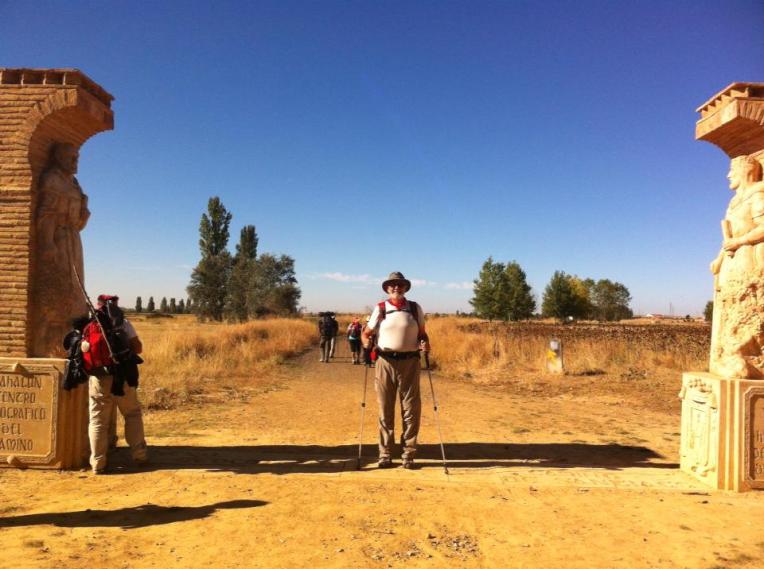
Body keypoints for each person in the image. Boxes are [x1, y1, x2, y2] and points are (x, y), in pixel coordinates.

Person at [362, 272, 430, 469]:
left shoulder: (415, 308)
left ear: (405, 287)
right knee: (385, 409)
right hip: (385, 362)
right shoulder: (381, 308)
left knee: (411, 409)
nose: (396, 288)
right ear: (387, 288)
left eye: (399, 285)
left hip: (410, 362)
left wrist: (425, 344)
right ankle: (385, 454)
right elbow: (366, 334)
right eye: (392, 285)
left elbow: (423, 335)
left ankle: (408, 453)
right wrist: (367, 344)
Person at [32, 143, 91, 357]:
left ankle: (69, 342)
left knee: (75, 290)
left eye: (77, 157)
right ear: (59, 158)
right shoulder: (53, 179)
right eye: (71, 157)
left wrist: (83, 211)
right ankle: (46, 345)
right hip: (59, 239)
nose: (75, 161)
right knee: (57, 290)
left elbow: (79, 223)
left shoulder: (74, 184)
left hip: (73, 240)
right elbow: (46, 213)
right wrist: (48, 243)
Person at [709, 154, 764, 378]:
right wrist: (719, 259)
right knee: (730, 311)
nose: (728, 174)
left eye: (733, 169)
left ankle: (747, 354)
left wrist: (740, 242)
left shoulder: (757, 196)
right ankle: (729, 354)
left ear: (747, 171)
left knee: (746, 309)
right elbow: (728, 237)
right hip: (732, 263)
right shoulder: (734, 202)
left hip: (748, 261)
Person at [85, 295, 148, 474]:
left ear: (98, 306)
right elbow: (138, 348)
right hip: (123, 376)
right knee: (132, 414)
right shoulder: (124, 323)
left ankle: (97, 463)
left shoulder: (89, 324)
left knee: (97, 421)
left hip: (98, 377)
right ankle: (139, 454)